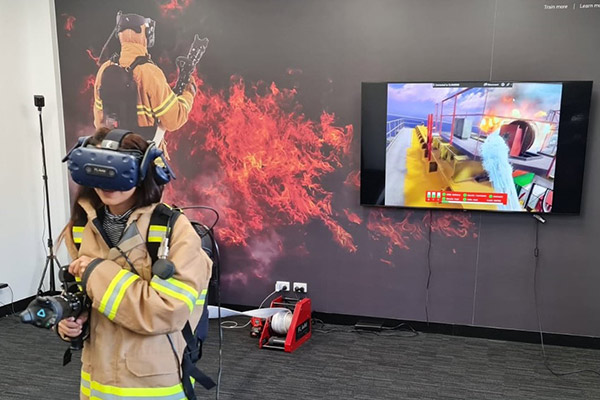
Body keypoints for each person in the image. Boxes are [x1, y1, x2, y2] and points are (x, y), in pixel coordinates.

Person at [57, 127, 212, 400]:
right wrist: (72, 321)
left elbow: (166, 312)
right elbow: (88, 296)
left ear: (142, 172)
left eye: (118, 171)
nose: (107, 183)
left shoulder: (172, 230)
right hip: (97, 382)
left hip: (152, 384)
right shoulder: (81, 227)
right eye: (97, 170)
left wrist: (95, 271)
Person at [93, 12, 196, 144]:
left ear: (119, 35)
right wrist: (188, 94)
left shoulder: (104, 69)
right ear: (146, 34)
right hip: (144, 156)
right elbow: (173, 120)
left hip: (115, 155)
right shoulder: (150, 72)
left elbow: (99, 121)